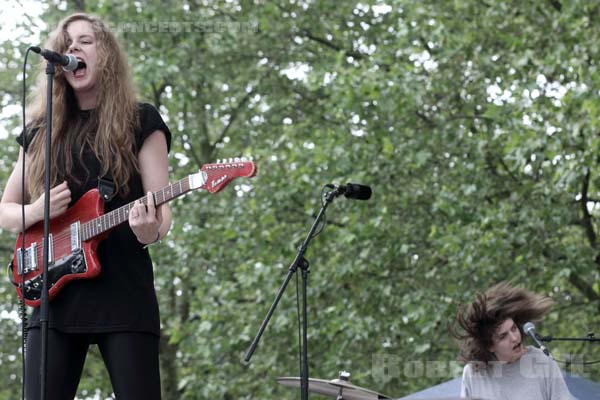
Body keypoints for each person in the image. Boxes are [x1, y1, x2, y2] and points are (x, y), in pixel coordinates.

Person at [0, 13, 171, 399]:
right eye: (66, 45)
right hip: (54, 294)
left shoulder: (141, 121)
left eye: (84, 41)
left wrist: (150, 231)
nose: (72, 50)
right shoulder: (43, 132)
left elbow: (162, 216)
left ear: (107, 54)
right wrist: (38, 209)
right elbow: (5, 211)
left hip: (124, 292)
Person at [453, 282, 572, 400]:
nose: (514, 338)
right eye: (503, 336)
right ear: (490, 346)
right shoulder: (473, 373)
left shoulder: (542, 360)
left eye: (514, 328)